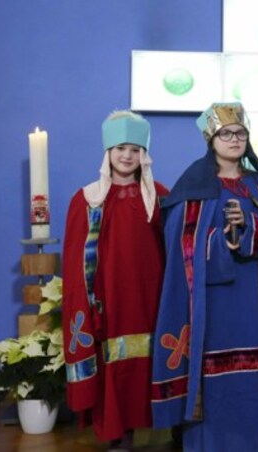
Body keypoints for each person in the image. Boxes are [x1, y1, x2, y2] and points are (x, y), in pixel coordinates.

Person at [151, 102, 258, 451]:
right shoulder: (194, 182)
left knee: (248, 374)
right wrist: (224, 237)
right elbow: (181, 243)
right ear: (211, 139)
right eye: (226, 134)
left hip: (247, 293)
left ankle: (250, 442)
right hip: (209, 299)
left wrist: (247, 225)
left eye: (240, 133)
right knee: (211, 373)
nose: (235, 139)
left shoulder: (255, 185)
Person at [62, 110, 169, 448]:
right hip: (108, 301)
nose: (127, 155)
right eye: (121, 147)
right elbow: (77, 262)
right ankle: (116, 436)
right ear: (108, 150)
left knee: (148, 365)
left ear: (145, 155)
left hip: (151, 300)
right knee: (114, 367)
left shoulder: (161, 196)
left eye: (135, 149)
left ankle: (157, 431)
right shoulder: (88, 199)